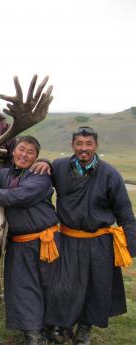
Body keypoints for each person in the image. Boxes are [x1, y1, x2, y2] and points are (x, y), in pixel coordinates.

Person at [44, 127, 136, 345]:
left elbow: (125, 212)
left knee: (96, 287)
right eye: (79, 144)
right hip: (67, 238)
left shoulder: (110, 174)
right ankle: (63, 326)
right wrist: (44, 161)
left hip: (100, 242)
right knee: (63, 286)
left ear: (96, 145)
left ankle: (85, 330)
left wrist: (131, 247)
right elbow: (45, 168)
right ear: (72, 145)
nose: (83, 149)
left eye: (88, 144)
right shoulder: (59, 167)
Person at [0, 136, 59, 345]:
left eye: (30, 152)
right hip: (19, 242)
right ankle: (33, 335)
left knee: (48, 286)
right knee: (20, 288)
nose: (24, 155)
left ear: (36, 157)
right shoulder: (5, 174)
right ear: (13, 151)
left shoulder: (40, 176)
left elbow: (18, 196)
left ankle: (51, 329)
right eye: (21, 149)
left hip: (45, 242)